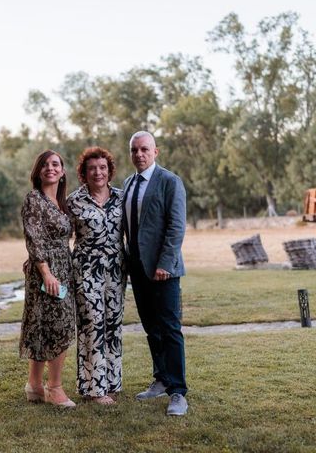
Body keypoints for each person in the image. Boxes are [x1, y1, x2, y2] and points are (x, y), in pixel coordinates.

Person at [123, 131, 188, 416]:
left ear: (155, 152)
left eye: (144, 149)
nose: (139, 154)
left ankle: (178, 392)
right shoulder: (127, 184)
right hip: (137, 269)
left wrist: (165, 263)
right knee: (151, 328)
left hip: (164, 270)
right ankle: (161, 379)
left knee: (170, 329)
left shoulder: (170, 182)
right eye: (134, 150)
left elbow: (176, 228)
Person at [67, 147, 126, 405]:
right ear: (84, 172)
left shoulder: (123, 198)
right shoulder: (74, 201)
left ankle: (112, 382)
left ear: (109, 170)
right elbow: (61, 236)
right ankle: (94, 389)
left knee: (113, 324)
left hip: (116, 269)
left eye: (102, 167)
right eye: (92, 168)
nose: (98, 172)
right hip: (86, 270)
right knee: (92, 324)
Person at [19, 150, 76, 408]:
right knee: (58, 325)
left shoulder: (61, 204)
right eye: (45, 164)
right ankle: (54, 388)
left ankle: (34, 385)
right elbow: (34, 236)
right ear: (38, 171)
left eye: (55, 164)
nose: (50, 168)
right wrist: (45, 271)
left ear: (62, 172)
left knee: (43, 325)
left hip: (62, 266)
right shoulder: (35, 199)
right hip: (47, 272)